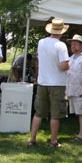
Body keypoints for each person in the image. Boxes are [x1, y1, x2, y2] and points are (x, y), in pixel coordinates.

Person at [28, 18, 70, 148]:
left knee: (39, 113)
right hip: (57, 83)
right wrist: (69, 65)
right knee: (55, 114)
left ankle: (32, 139)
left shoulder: (41, 42)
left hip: (43, 82)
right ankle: (53, 141)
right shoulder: (60, 45)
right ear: (61, 32)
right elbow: (63, 65)